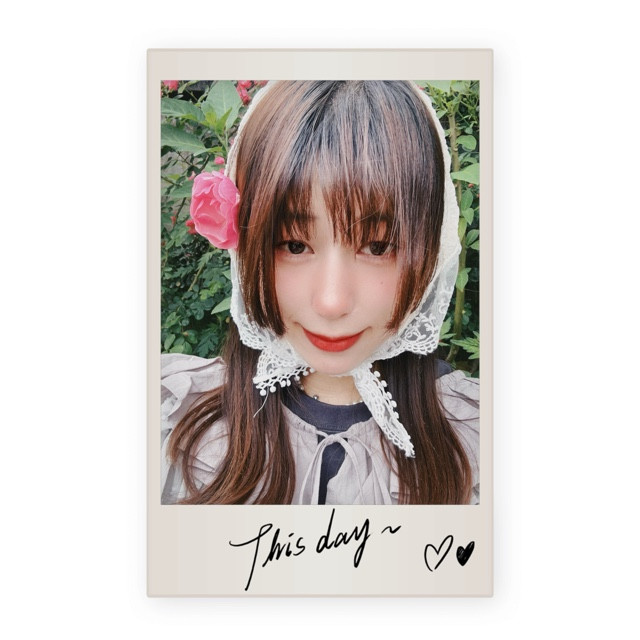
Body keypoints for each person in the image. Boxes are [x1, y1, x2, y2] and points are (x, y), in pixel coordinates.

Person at [161, 80, 479, 505]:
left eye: (378, 247)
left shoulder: (480, 441)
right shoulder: (174, 417)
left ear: (433, 248)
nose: (331, 302)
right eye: (294, 245)